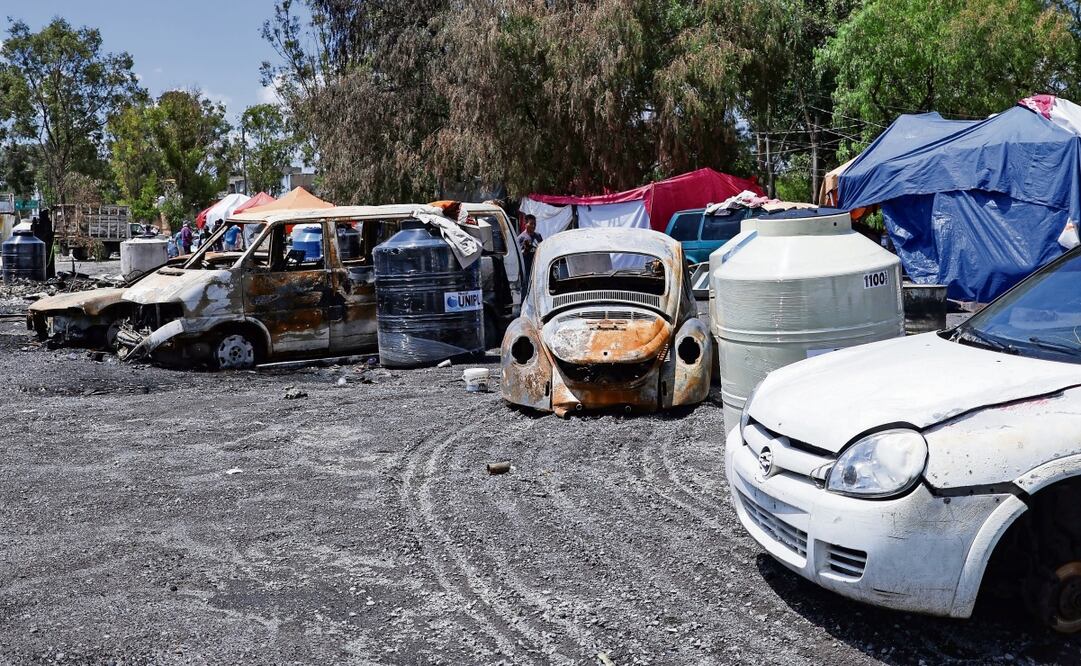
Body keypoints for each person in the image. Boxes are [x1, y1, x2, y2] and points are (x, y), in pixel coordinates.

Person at [516, 214, 543, 288]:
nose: (533, 226)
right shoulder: (521, 238)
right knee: (527, 288)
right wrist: (526, 250)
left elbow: (541, 250)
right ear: (525, 224)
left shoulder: (538, 236)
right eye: (531, 223)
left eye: (535, 224)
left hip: (537, 268)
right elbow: (519, 255)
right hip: (527, 269)